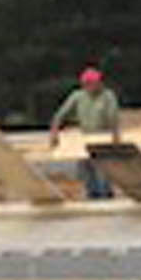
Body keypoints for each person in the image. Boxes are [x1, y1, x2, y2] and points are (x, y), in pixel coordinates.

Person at [49, 67, 121, 199]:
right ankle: (92, 196)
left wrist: (115, 138)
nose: (93, 86)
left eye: (96, 83)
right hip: (85, 139)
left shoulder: (107, 96)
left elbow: (114, 118)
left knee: (104, 174)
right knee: (87, 172)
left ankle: (106, 197)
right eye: (89, 84)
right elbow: (60, 115)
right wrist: (54, 133)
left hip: (103, 139)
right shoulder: (78, 96)